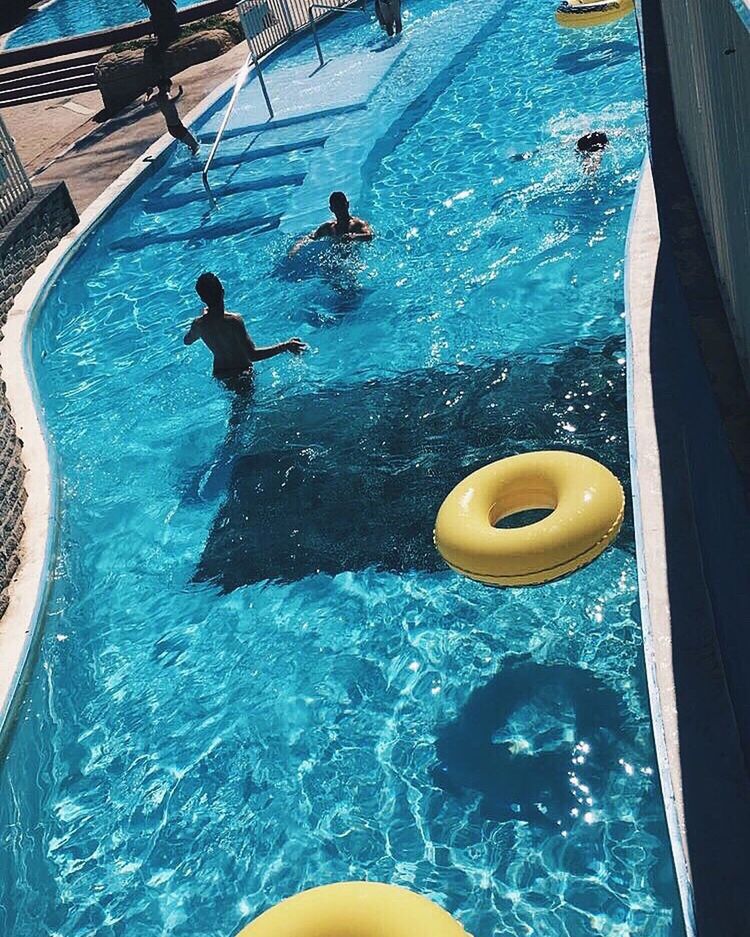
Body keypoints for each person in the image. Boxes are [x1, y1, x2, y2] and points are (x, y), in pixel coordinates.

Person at [184, 273, 306, 380]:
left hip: (220, 374)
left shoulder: (199, 324)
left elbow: (187, 341)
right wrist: (285, 346)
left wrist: (204, 317)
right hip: (242, 373)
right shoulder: (233, 321)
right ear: (223, 292)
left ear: (202, 298)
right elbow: (252, 355)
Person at [290, 191, 373, 255]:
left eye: (342, 205)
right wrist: (296, 247)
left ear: (347, 205)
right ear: (332, 209)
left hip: (353, 257)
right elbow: (311, 237)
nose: (340, 210)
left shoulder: (357, 224)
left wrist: (354, 237)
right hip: (334, 256)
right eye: (337, 207)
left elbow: (370, 236)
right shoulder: (329, 228)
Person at [150, 79, 199, 155]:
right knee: (195, 146)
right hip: (176, 127)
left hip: (172, 127)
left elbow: (145, 104)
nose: (170, 88)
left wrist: (148, 94)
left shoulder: (155, 97)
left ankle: (192, 157)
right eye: (169, 87)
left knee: (192, 145)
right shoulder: (166, 95)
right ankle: (195, 163)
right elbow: (170, 101)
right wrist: (180, 94)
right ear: (165, 87)